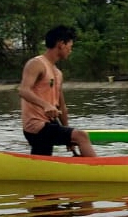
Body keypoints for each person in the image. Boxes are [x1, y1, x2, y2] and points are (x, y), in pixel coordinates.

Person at [19, 25, 97, 156]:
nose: (70, 51)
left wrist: (68, 135)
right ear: (61, 44)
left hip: (50, 125)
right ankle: (97, 172)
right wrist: (45, 105)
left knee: (41, 163)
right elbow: (23, 91)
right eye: (70, 46)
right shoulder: (36, 64)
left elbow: (62, 107)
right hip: (35, 126)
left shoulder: (58, 73)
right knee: (82, 136)